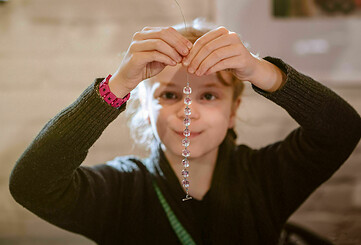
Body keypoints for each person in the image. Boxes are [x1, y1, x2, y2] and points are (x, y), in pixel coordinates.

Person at [9, 18, 361, 245]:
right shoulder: (121, 192)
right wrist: (117, 85)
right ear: (145, 111)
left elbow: (343, 129)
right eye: (169, 95)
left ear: (233, 111)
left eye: (208, 95)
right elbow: (31, 184)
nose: (188, 109)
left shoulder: (266, 178)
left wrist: (258, 69)